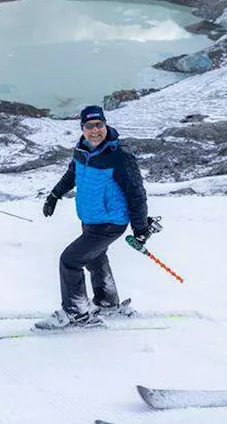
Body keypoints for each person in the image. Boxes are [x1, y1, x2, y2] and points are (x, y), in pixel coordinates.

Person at [36, 105, 151, 329]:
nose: (95, 130)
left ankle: (77, 312)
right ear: (83, 128)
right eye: (90, 126)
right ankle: (107, 303)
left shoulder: (119, 155)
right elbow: (72, 174)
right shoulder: (81, 150)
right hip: (90, 219)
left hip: (111, 222)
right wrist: (54, 195)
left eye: (99, 125)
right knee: (95, 260)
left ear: (105, 124)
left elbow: (136, 192)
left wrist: (140, 227)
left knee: (69, 261)